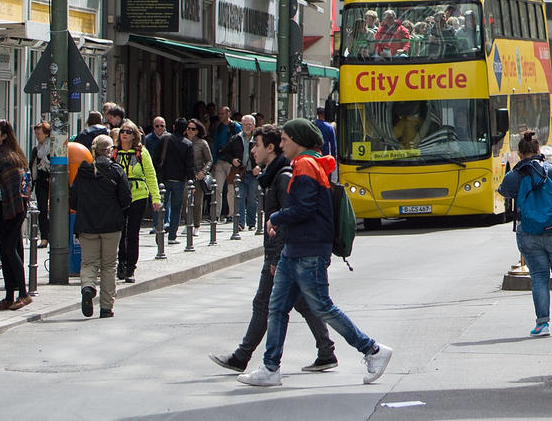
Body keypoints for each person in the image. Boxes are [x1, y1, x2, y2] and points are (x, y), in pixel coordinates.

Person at [238, 118, 393, 388]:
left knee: (321, 306)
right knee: (277, 307)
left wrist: (277, 217)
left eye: (285, 139)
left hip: (307, 249)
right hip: (297, 249)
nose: (282, 144)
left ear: (298, 141)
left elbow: (304, 208)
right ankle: (270, 367)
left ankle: (373, 350)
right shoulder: (307, 163)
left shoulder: (306, 165)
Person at [211, 124, 339, 374]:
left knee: (267, 304)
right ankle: (326, 351)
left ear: (270, 147)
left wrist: (276, 256)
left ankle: (245, 357)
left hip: (284, 254)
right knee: (304, 303)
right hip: (285, 254)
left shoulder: (284, 176)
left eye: (257, 145)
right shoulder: (275, 174)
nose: (253, 150)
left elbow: (294, 217)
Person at [496, 129, 552, 338]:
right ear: (538, 149)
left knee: (539, 278)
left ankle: (542, 324)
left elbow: (504, 192)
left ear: (519, 153)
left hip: (529, 232)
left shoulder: (514, 176)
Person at [70, 134, 130, 319]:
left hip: (87, 225)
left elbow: (73, 200)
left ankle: (88, 287)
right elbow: (126, 198)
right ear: (111, 151)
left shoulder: (83, 171)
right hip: (111, 225)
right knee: (109, 266)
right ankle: (106, 307)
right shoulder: (116, 171)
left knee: (88, 263)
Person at [0, 121, 31, 310]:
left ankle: (23, 293)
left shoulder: (7, 158)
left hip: (13, 208)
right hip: (8, 208)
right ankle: (9, 295)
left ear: (4, 135)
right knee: (6, 251)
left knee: (10, 251)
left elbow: (10, 187)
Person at [111, 121, 160, 283]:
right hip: (118, 197)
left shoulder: (141, 153)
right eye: (122, 132)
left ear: (134, 135)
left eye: (128, 132)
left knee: (132, 233)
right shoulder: (114, 152)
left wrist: (156, 197)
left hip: (138, 196)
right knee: (120, 232)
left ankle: (131, 267)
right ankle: (121, 263)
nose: (124, 134)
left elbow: (150, 175)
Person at [159, 115, 196, 235]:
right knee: (176, 207)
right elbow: (190, 165)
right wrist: (191, 181)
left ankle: (159, 230)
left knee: (161, 206)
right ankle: (172, 235)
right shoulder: (187, 144)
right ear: (186, 130)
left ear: (173, 127)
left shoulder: (164, 139)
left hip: (164, 178)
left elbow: (155, 157)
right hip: (179, 180)